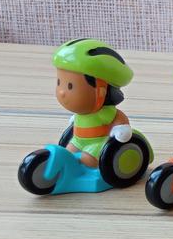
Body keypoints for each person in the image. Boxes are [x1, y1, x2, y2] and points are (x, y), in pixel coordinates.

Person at [53, 38, 134, 168]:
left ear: (101, 91)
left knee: (87, 160)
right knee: (67, 154)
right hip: (78, 140)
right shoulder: (82, 113)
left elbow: (118, 117)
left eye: (70, 86)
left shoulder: (104, 113)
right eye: (59, 82)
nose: (62, 92)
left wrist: (121, 128)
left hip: (97, 143)